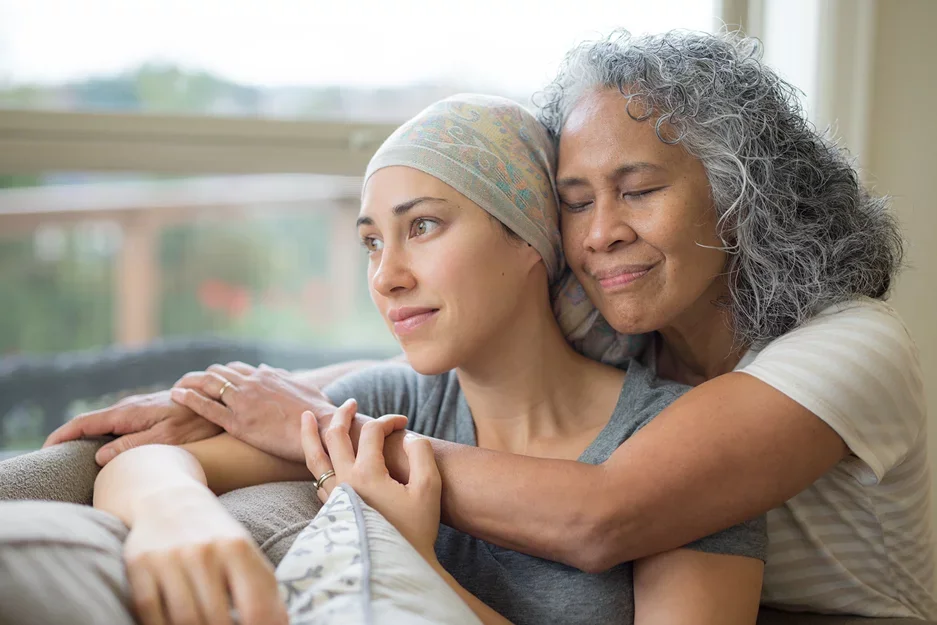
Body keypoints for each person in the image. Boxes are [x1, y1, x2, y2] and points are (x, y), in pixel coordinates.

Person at [46, 29, 935, 619]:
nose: (597, 235)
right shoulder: (627, 324)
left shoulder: (848, 345)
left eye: (639, 190)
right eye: (575, 201)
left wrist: (323, 433)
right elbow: (439, 368)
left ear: (742, 196)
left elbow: (607, 512)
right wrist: (211, 409)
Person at [92, 94, 767, 625]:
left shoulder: (672, 450)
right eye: (370, 242)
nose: (386, 276)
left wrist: (416, 566)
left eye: (421, 226)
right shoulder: (391, 406)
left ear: (528, 236)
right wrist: (175, 514)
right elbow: (143, 460)